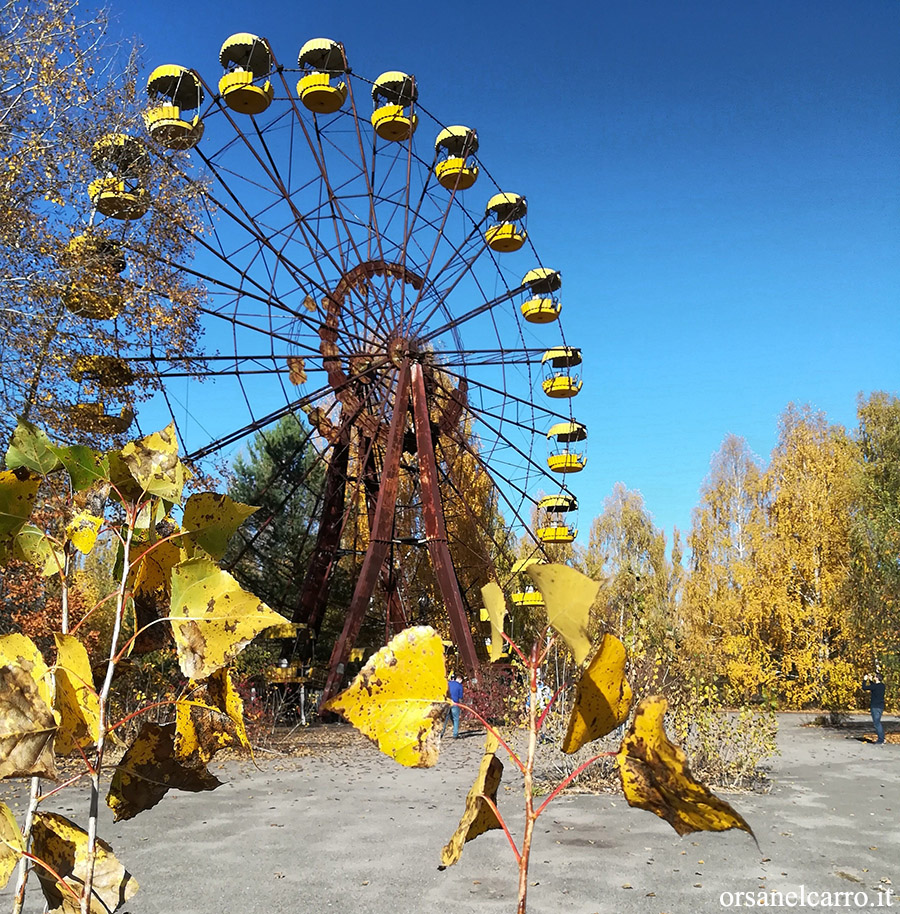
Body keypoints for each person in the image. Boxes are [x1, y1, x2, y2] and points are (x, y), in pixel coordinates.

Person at [863, 673, 886, 745]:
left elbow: (864, 687)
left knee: (877, 723)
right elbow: (874, 686)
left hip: (875, 706)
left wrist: (864, 680)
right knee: (878, 722)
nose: (874, 677)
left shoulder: (875, 687)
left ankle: (881, 739)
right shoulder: (882, 686)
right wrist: (870, 680)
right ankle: (882, 738)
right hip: (881, 706)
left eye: (875, 677)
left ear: (877, 678)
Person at [442, 673, 464, 738]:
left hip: (447, 703)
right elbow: (460, 696)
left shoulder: (447, 684)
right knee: (456, 718)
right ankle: (455, 734)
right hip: (455, 703)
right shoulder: (459, 685)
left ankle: (442, 733)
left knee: (446, 718)